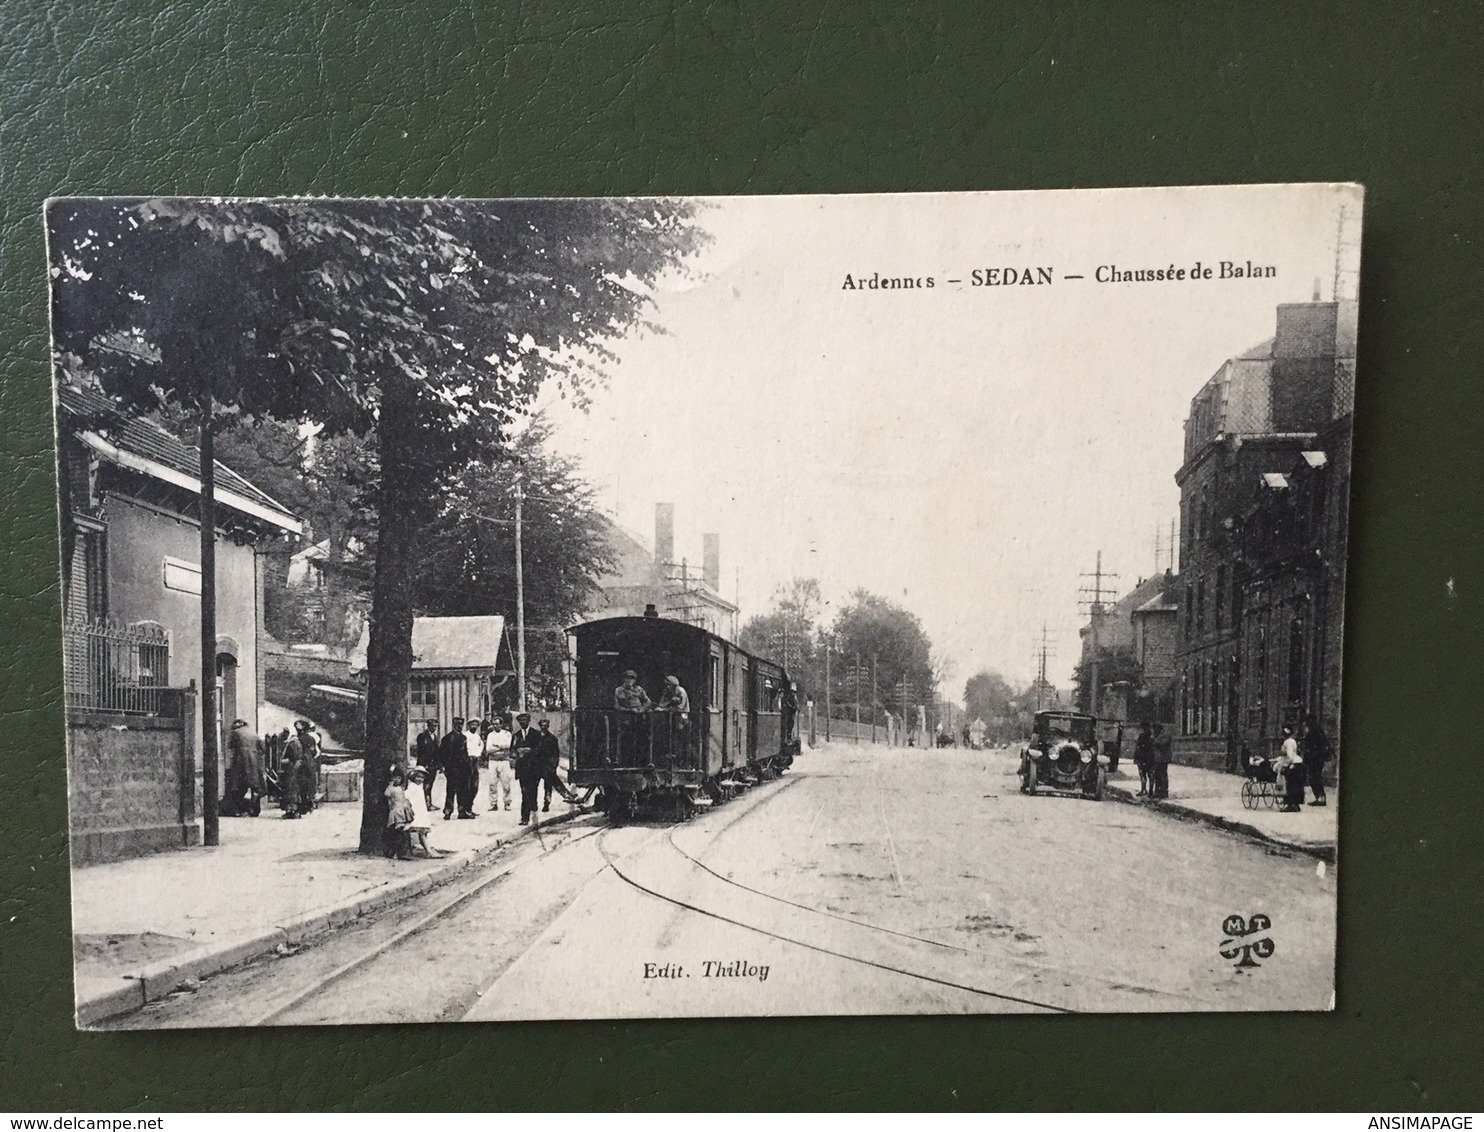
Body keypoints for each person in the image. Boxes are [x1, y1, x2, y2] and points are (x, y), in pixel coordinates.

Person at [223, 718, 265, 816]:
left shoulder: (236, 733)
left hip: (240, 761)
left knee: (238, 786)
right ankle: (255, 810)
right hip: (254, 762)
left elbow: (230, 747)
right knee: (255, 787)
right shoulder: (253, 732)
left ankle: (239, 810)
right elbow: (262, 749)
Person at [536, 717, 577, 809]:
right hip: (537, 765)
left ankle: (547, 803)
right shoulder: (536, 737)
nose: (544, 727)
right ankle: (567, 795)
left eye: (545, 726)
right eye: (542, 726)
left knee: (549, 784)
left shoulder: (552, 738)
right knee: (535, 786)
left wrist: (554, 765)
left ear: (548, 726)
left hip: (548, 765)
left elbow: (555, 754)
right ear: (540, 726)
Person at [513, 713, 543, 825]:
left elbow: (540, 749)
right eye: (520, 720)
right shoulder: (516, 735)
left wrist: (529, 750)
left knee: (533, 790)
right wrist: (517, 752)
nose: (522, 722)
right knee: (524, 792)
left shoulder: (535, 734)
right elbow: (512, 749)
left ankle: (531, 809)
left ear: (528, 721)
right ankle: (525, 817)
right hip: (522, 769)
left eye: (524, 720)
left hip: (534, 768)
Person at [383, 765, 416, 860]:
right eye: (394, 778)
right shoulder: (391, 788)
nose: (396, 780)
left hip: (403, 809)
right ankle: (396, 852)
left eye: (398, 778)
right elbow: (387, 796)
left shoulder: (401, 788)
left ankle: (402, 851)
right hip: (396, 811)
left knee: (403, 831)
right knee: (397, 831)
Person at [439, 717, 469, 819]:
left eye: (461, 724)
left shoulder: (464, 738)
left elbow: (465, 754)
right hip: (452, 769)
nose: (459, 726)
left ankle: (462, 811)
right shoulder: (447, 738)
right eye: (457, 724)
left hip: (462, 768)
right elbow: (442, 754)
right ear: (453, 725)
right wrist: (445, 767)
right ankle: (448, 811)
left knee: (462, 790)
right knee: (451, 790)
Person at [1301, 714, 1331, 807]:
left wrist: (1306, 758)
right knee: (1316, 777)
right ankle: (1320, 797)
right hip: (1318, 758)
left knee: (1314, 777)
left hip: (1314, 759)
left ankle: (1320, 798)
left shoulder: (1313, 732)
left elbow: (1310, 747)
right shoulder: (1319, 730)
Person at [406, 766, 436, 857]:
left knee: (423, 832)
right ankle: (428, 850)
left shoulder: (420, 787)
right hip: (416, 812)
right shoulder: (412, 787)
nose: (420, 779)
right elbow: (407, 797)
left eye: (422, 777)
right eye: (418, 777)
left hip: (421, 812)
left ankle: (428, 849)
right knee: (420, 832)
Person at [484, 718, 513, 812]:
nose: (495, 726)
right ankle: (493, 803)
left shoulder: (507, 734)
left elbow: (508, 745)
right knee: (492, 783)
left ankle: (507, 803)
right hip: (492, 761)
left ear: (501, 724)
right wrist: (501, 747)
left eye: (497, 724)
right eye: (493, 724)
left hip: (504, 761)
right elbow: (488, 749)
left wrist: (496, 746)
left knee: (506, 783)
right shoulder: (490, 735)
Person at [414, 719, 441, 809]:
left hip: (433, 765)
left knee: (430, 784)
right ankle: (424, 804)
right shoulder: (422, 736)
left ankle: (429, 803)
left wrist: (439, 765)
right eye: (433, 726)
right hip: (424, 765)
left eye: (436, 726)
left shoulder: (436, 738)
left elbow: (438, 752)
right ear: (428, 726)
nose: (434, 728)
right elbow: (420, 752)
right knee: (424, 784)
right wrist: (422, 764)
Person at [1276, 725, 1304, 812]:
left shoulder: (1287, 742)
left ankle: (1290, 804)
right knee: (1297, 785)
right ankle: (1296, 804)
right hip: (1298, 763)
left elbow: (1290, 756)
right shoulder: (1293, 741)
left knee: (1290, 784)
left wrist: (1286, 765)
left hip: (1292, 764)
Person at [461, 718, 483, 817]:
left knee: (475, 786)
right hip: (467, 762)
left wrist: (478, 755)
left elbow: (481, 746)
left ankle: (469, 807)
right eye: (472, 724)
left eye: (476, 725)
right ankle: (465, 809)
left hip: (475, 761)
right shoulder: (465, 735)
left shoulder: (477, 736)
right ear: (468, 725)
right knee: (467, 786)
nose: (474, 726)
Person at [1133, 722, 1155, 797]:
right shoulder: (1151, 736)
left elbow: (1138, 748)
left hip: (1145, 757)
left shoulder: (1144, 737)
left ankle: (1145, 790)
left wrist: (1136, 757)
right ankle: (1149, 791)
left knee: (1144, 775)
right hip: (1148, 758)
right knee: (1148, 775)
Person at [1151, 723, 1172, 799]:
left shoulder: (1165, 735)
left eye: (1155, 728)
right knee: (1157, 776)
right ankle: (1157, 792)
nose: (1153, 730)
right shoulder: (1156, 735)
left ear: (1159, 728)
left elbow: (1161, 743)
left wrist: (1154, 740)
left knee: (1163, 775)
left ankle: (1164, 792)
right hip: (1157, 759)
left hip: (1163, 759)